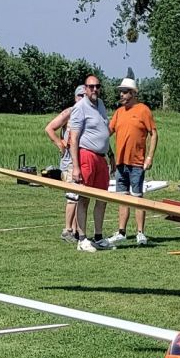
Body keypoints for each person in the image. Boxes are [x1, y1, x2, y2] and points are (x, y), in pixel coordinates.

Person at [107, 77, 158, 246]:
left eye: (124, 92)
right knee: (122, 198)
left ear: (133, 93)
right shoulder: (119, 112)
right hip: (121, 163)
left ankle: (140, 233)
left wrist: (149, 157)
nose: (121, 95)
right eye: (120, 92)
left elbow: (153, 133)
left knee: (138, 198)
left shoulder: (143, 110)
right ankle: (121, 232)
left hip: (137, 162)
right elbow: (107, 133)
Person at [68, 75, 114, 252]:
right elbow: (73, 138)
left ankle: (98, 237)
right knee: (84, 197)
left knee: (102, 198)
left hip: (101, 157)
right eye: (91, 86)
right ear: (85, 89)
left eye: (97, 86)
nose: (95, 89)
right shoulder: (80, 108)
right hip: (86, 155)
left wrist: (110, 154)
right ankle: (82, 238)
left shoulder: (100, 104)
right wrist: (76, 167)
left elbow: (104, 131)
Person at [45, 84, 87, 243]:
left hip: (82, 161)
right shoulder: (69, 112)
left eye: (85, 95)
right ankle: (67, 229)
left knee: (80, 196)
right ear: (75, 97)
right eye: (80, 96)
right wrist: (59, 143)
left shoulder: (88, 114)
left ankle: (75, 231)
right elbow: (49, 128)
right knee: (72, 196)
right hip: (69, 162)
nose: (83, 99)